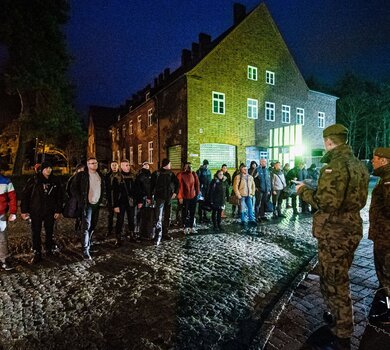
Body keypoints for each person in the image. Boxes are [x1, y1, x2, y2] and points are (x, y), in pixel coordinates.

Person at [296, 124, 369, 349]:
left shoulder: (334, 167)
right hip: (351, 227)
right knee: (337, 275)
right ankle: (337, 319)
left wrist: (304, 191)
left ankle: (342, 330)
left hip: (335, 231)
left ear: (328, 141)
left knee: (335, 280)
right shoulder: (359, 166)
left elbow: (326, 202)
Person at [21, 162, 63, 264]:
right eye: (46, 168)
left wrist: (58, 210)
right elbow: (25, 196)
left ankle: (49, 249)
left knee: (49, 231)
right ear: (42, 169)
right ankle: (37, 252)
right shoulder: (34, 180)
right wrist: (24, 211)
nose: (49, 170)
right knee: (36, 232)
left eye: (50, 168)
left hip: (50, 211)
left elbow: (59, 197)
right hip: (36, 210)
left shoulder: (55, 181)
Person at [368, 148, 390, 326]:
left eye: (375, 159)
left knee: (387, 275)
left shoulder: (388, 181)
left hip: (386, 237)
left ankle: (388, 313)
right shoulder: (384, 179)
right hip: (383, 235)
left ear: (384, 160)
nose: (372, 162)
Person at [71, 157, 104, 260]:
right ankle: (85, 250)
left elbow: (102, 188)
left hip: (96, 205)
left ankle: (88, 244)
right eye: (92, 163)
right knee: (86, 227)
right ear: (88, 164)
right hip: (87, 205)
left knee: (93, 226)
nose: (94, 165)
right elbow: (73, 188)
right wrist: (81, 199)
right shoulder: (82, 175)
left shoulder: (100, 175)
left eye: (95, 163)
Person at [151, 158, 179, 244]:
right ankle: (158, 235)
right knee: (158, 217)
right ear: (166, 165)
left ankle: (165, 233)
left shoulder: (171, 174)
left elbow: (177, 183)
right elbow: (151, 185)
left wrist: (175, 193)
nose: (171, 165)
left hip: (168, 198)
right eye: (170, 164)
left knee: (167, 216)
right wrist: (150, 196)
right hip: (159, 198)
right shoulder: (156, 173)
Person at [112, 159, 138, 246]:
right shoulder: (117, 178)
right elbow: (114, 193)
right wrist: (115, 205)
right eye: (125, 165)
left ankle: (132, 235)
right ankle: (118, 237)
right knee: (120, 220)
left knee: (131, 219)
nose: (128, 167)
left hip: (131, 202)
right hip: (121, 203)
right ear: (121, 166)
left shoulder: (133, 176)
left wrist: (138, 200)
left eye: (128, 165)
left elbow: (137, 190)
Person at [0, 169, 17, 270]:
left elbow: (13, 198)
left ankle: (4, 259)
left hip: (1, 215)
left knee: (2, 238)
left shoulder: (6, 181)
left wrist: (13, 212)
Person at [177, 162, 200, 234]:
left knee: (192, 212)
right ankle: (185, 227)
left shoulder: (194, 174)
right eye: (187, 166)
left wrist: (197, 193)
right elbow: (179, 187)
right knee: (185, 212)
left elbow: (197, 184)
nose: (189, 167)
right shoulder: (181, 174)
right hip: (185, 197)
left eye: (190, 166)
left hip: (193, 196)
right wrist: (180, 197)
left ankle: (191, 227)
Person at [65, 163, 85, 233]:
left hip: (81, 198)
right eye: (81, 169)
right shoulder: (73, 178)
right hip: (76, 199)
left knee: (81, 212)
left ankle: (80, 224)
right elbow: (69, 188)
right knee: (78, 212)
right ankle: (79, 224)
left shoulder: (84, 177)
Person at [135, 161, 152, 234]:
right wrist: (140, 200)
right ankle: (137, 229)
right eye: (145, 164)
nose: (147, 165)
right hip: (142, 198)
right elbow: (139, 188)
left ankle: (144, 230)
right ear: (142, 166)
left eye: (148, 164)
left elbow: (150, 187)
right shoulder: (140, 175)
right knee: (139, 214)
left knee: (146, 214)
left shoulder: (150, 175)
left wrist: (150, 197)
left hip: (148, 198)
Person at [105, 161, 120, 237]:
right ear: (110, 166)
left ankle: (118, 231)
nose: (114, 167)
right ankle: (109, 230)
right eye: (112, 165)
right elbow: (105, 188)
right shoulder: (107, 176)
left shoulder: (120, 176)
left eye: (115, 165)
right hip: (110, 199)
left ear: (118, 166)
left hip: (118, 199)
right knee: (110, 216)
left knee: (119, 217)